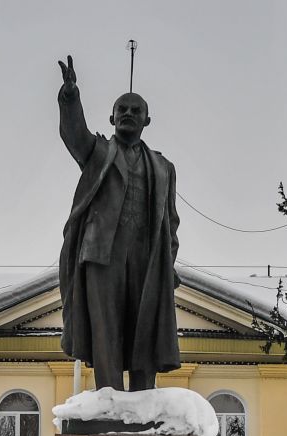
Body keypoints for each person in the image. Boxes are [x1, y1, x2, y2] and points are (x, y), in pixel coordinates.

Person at [55, 54, 181, 392]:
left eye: (135, 110)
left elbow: (171, 222)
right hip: (101, 255)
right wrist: (70, 97)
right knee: (105, 327)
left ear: (147, 120)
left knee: (145, 327)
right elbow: (74, 135)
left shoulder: (163, 167)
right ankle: (108, 397)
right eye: (121, 109)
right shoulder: (97, 152)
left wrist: (168, 264)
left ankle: (144, 396)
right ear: (111, 117)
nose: (127, 113)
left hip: (147, 257)